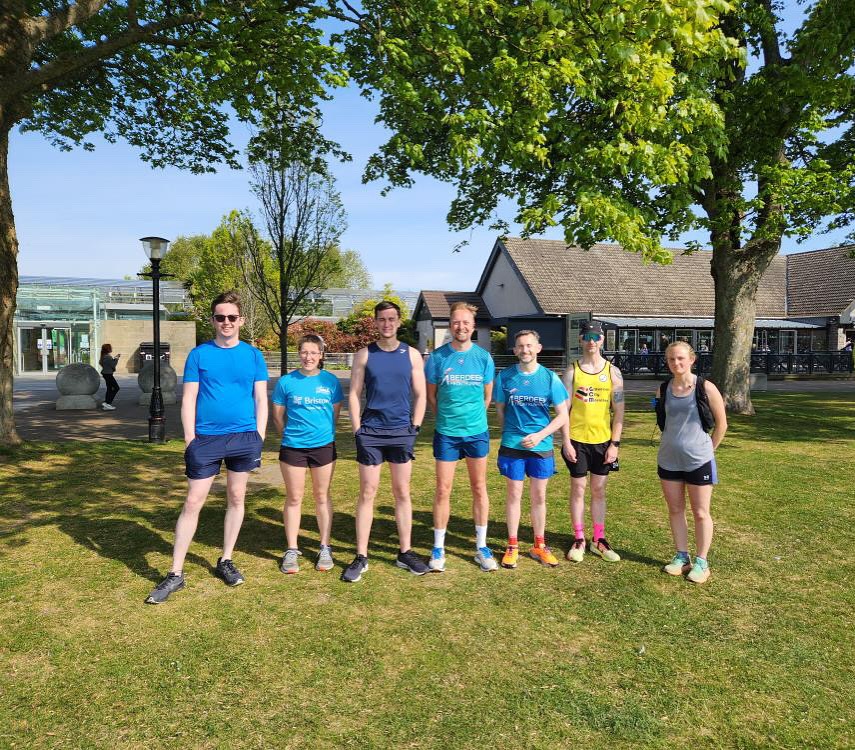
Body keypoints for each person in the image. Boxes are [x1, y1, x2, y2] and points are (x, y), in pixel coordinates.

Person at [145, 290, 268, 604]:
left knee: (236, 496)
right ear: (213, 320)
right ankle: (175, 573)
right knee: (193, 501)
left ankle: (225, 559)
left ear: (240, 320)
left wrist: (260, 437)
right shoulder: (199, 354)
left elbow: (261, 399)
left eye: (231, 317)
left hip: (244, 437)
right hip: (206, 439)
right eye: (220, 317)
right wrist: (190, 439)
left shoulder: (254, 355)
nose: (226, 322)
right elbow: (188, 399)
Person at [341, 300, 429, 583]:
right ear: (376, 322)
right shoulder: (364, 355)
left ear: (399, 321)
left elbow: (421, 394)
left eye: (391, 319)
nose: (387, 324)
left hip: (401, 432)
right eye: (382, 319)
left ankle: (405, 552)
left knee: (402, 492)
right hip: (372, 433)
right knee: (368, 492)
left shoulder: (412, 355)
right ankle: (362, 556)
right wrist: (358, 429)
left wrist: (414, 425)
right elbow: (354, 393)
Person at [425, 301, 497, 572]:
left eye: (466, 322)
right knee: (443, 489)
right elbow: (432, 396)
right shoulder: (438, 358)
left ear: (473, 326)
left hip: (476, 433)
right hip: (447, 434)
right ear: (450, 325)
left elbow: (487, 396)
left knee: (479, 488)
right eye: (456, 322)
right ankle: (438, 547)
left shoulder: (484, 358)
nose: (461, 326)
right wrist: (446, 417)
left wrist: (472, 418)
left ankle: (481, 546)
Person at [495, 330, 569, 569]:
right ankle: (513, 545)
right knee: (514, 494)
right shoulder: (505, 377)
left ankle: (539, 545)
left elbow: (562, 415)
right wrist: (513, 434)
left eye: (529, 345)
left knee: (539, 496)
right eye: (520, 346)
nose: (525, 350)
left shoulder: (550, 378)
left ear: (538, 348)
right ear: (515, 350)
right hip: (512, 446)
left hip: (541, 446)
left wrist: (539, 435)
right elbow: (500, 411)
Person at [656, 341, 727, 584]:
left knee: (700, 512)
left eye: (681, 358)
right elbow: (663, 422)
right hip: (669, 460)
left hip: (699, 461)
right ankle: (681, 557)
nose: (676, 363)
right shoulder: (663, 389)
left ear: (692, 360)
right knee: (675, 510)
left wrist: (708, 450)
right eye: (672, 359)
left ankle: (701, 562)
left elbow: (722, 424)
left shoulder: (706, 387)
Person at [271, 334, 343, 574]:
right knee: (294, 497)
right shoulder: (286, 382)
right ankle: (292, 549)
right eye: (304, 352)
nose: (308, 357)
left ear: (321, 355)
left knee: (322, 496)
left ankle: (325, 546)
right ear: (298, 353)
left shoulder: (331, 382)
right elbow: (278, 416)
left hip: (323, 446)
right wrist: (290, 437)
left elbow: (334, 414)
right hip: (293, 447)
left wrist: (320, 434)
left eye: (314, 352)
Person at [560, 320, 625, 564]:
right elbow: (563, 410)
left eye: (595, 337)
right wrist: (565, 441)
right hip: (576, 440)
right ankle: (579, 538)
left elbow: (619, 411)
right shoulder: (572, 371)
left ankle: (599, 539)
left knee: (598, 490)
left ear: (602, 341)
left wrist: (614, 444)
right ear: (581, 340)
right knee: (578, 489)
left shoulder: (613, 372)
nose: (591, 341)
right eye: (587, 336)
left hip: (603, 442)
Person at [99, 343, 120, 410]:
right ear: (108, 349)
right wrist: (116, 358)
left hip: (106, 373)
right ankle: (107, 403)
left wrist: (113, 359)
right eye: (110, 347)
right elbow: (113, 365)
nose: (111, 348)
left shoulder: (103, 356)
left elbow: (104, 364)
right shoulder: (108, 356)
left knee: (109, 388)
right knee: (116, 388)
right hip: (108, 374)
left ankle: (106, 404)